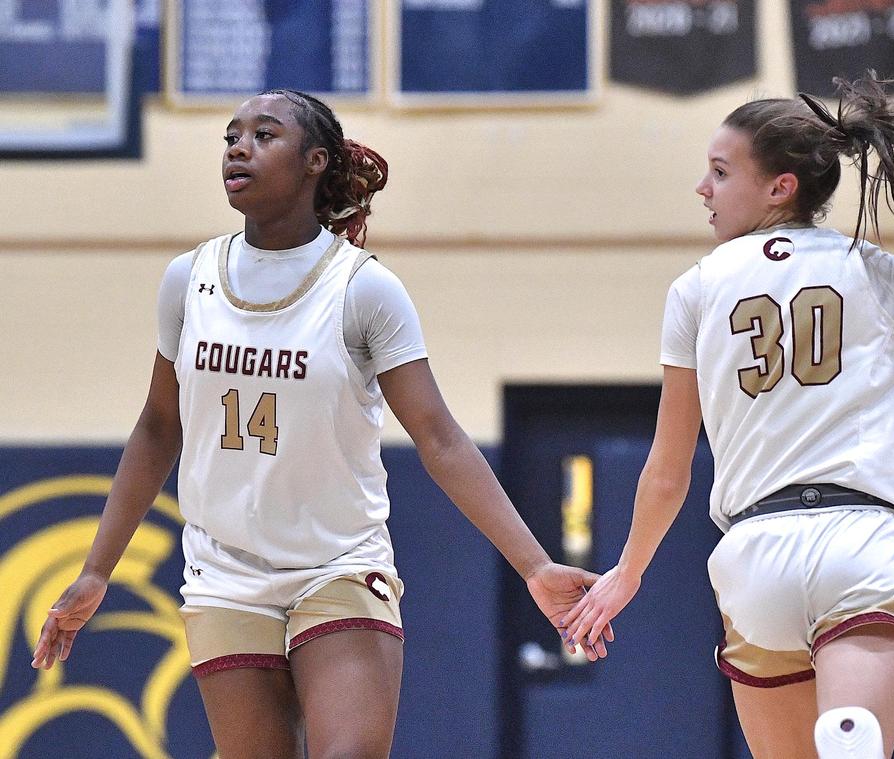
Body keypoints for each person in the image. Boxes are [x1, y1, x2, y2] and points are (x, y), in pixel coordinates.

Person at [30, 89, 611, 759]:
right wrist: (98, 570)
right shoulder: (188, 279)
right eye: (231, 136)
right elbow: (159, 427)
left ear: (313, 162)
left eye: (263, 135)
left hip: (336, 563)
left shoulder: (362, 288)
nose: (238, 147)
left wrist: (534, 564)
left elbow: (441, 437)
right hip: (226, 570)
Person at [561, 74, 894, 759]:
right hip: (862, 541)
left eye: (720, 173)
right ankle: (851, 737)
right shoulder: (873, 267)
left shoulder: (695, 288)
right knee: (851, 740)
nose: (703, 189)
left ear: (780, 186)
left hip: (756, 554)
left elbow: (668, 469)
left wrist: (627, 572)